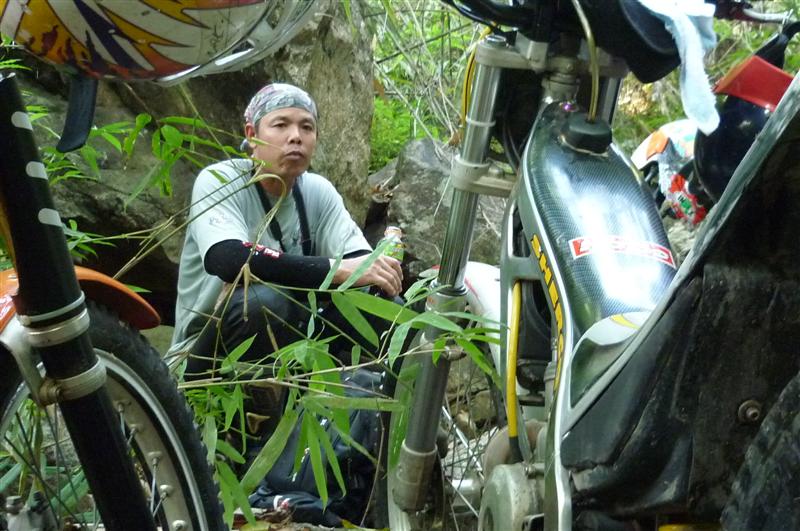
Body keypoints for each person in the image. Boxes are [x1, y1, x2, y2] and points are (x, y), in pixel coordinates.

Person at [167, 83, 403, 375]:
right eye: (281, 125)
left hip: (296, 344)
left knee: (383, 306)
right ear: (252, 135)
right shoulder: (221, 180)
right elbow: (228, 258)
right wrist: (337, 269)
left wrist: (377, 275)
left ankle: (386, 394)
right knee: (264, 302)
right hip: (205, 358)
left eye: (307, 127)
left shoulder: (317, 191)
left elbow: (363, 266)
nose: (295, 136)